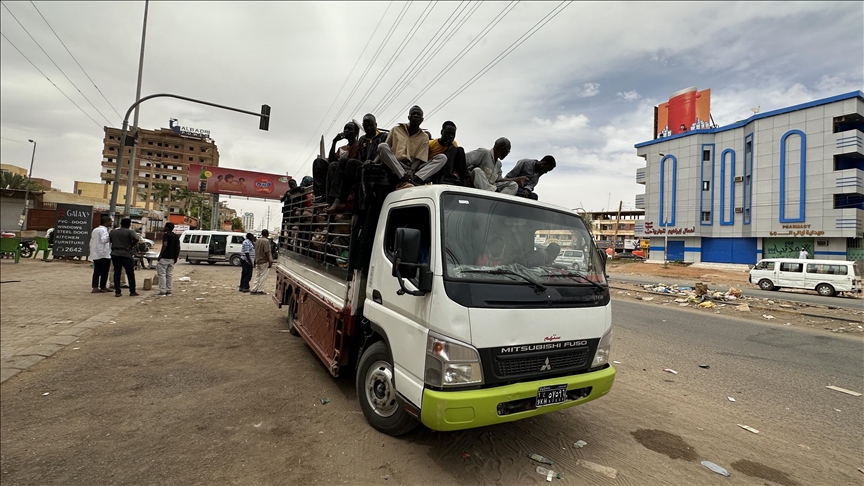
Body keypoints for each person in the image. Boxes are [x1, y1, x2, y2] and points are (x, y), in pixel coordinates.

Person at [377, 106, 448, 189]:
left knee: (442, 158)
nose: (415, 116)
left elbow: (419, 159)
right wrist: (374, 161)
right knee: (382, 146)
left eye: (418, 114)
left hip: (414, 168)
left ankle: (415, 179)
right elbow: (385, 149)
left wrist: (411, 170)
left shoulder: (424, 137)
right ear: (409, 117)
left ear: (422, 120)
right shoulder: (395, 130)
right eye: (413, 114)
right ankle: (405, 178)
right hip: (397, 164)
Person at [313, 122, 361, 206]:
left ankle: (331, 198)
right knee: (318, 162)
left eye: (350, 129)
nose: (346, 131)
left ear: (356, 133)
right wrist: (334, 142)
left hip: (348, 173)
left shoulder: (358, 145)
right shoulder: (342, 148)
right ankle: (321, 195)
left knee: (333, 166)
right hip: (336, 170)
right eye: (345, 129)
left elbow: (355, 162)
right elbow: (330, 159)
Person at [428, 121, 468, 185]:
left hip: (448, 168)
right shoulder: (431, 144)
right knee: (452, 149)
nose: (450, 136)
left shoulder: (454, 144)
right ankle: (444, 177)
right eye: (447, 133)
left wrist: (449, 147)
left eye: (453, 134)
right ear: (441, 132)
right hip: (434, 169)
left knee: (460, 149)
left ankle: (464, 179)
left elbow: (456, 159)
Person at [109, 218, 140, 297]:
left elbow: (110, 240)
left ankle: (117, 292)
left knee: (117, 272)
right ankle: (132, 291)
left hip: (115, 254)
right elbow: (136, 239)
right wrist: (131, 246)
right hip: (126, 254)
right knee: (130, 273)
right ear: (129, 224)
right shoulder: (130, 232)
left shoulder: (113, 232)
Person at [89, 215, 112, 293]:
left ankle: (95, 286)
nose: (111, 223)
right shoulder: (103, 230)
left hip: (96, 253)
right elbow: (104, 240)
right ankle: (103, 286)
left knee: (97, 270)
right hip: (103, 254)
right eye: (110, 221)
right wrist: (111, 235)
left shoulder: (95, 230)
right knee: (104, 271)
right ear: (106, 222)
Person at [156, 223, 180, 296]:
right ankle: (169, 290)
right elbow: (178, 247)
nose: (164, 228)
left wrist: (160, 254)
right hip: (172, 258)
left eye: (165, 227)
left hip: (164, 257)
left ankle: (162, 290)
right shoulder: (176, 236)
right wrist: (176, 257)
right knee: (169, 275)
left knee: (162, 274)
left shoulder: (166, 235)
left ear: (167, 228)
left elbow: (165, 244)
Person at [251, 229, 273, 294]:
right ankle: (260, 289)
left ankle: (254, 289)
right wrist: (270, 261)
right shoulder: (266, 241)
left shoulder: (257, 240)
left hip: (257, 260)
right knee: (263, 276)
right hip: (264, 261)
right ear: (267, 234)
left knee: (257, 275)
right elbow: (267, 252)